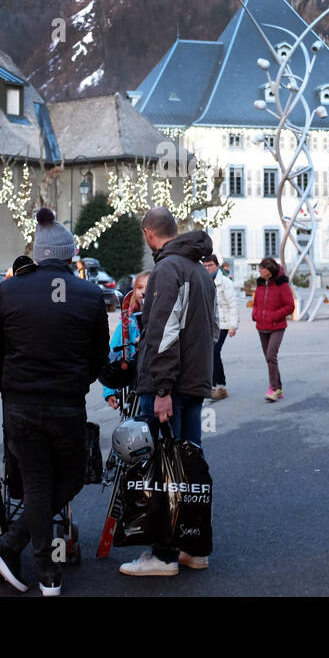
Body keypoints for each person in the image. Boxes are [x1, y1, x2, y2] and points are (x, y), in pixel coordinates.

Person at [0, 208, 110, 595]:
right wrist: (78, 381)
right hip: (66, 403)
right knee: (69, 477)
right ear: (70, 255)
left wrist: (8, 385)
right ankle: (33, 563)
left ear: (37, 254)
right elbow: (98, 354)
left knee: (36, 483)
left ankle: (31, 560)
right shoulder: (89, 294)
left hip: (20, 403)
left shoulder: (10, 290)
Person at [119, 206, 217, 578]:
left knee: (161, 467)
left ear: (148, 233)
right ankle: (194, 547)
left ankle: (163, 554)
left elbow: (163, 333)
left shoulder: (166, 270)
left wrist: (161, 388)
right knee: (189, 466)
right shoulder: (198, 269)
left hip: (171, 386)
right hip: (192, 382)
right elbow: (209, 329)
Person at [251, 256, 294, 405]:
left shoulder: (282, 285)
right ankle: (279, 387)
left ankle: (273, 388)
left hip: (277, 326)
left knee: (271, 355)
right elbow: (256, 302)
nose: (260, 271)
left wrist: (274, 316)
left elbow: (290, 306)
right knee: (270, 359)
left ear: (269, 270)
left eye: (262, 268)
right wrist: (255, 314)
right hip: (261, 326)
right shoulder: (261, 284)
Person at [105, 272, 150, 409]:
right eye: (140, 287)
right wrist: (109, 391)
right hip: (132, 384)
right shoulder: (127, 322)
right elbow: (113, 355)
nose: (143, 292)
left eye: (149, 287)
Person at [202, 255, 238, 400]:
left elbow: (232, 304)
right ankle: (213, 386)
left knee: (214, 352)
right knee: (209, 354)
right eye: (204, 266)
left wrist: (233, 326)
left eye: (210, 265)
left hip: (222, 323)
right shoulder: (203, 281)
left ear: (217, 266)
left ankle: (220, 386)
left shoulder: (225, 282)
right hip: (207, 324)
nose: (207, 268)